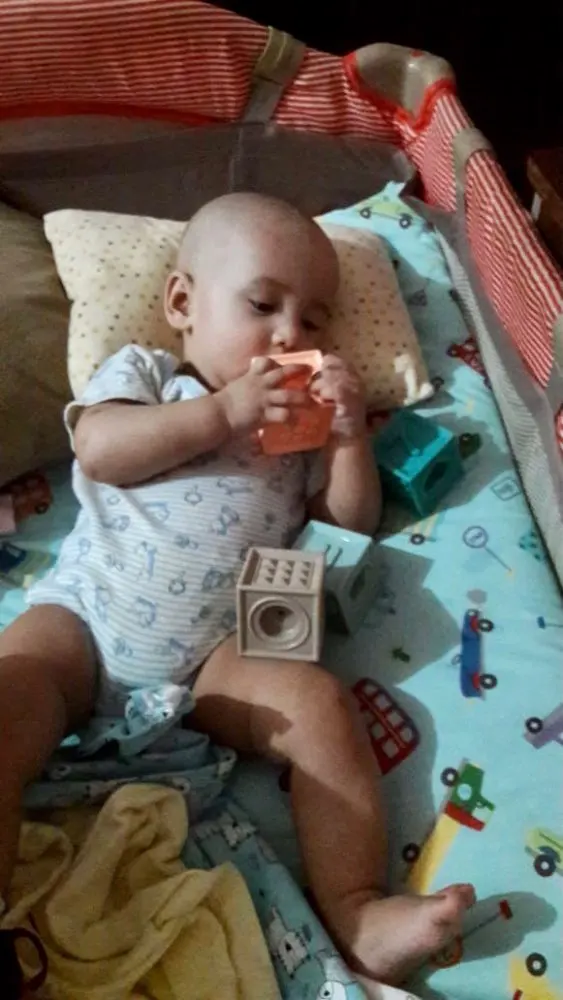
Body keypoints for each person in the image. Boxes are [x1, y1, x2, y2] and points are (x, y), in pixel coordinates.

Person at [0, 192, 474, 984]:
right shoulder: (148, 374)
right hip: (82, 622)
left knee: (317, 707)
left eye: (314, 321)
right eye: (262, 305)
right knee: (8, 697)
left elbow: (344, 525)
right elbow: (101, 450)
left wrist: (347, 440)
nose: (291, 336)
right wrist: (222, 412)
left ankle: (357, 909)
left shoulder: (300, 431)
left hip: (217, 662)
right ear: (182, 304)